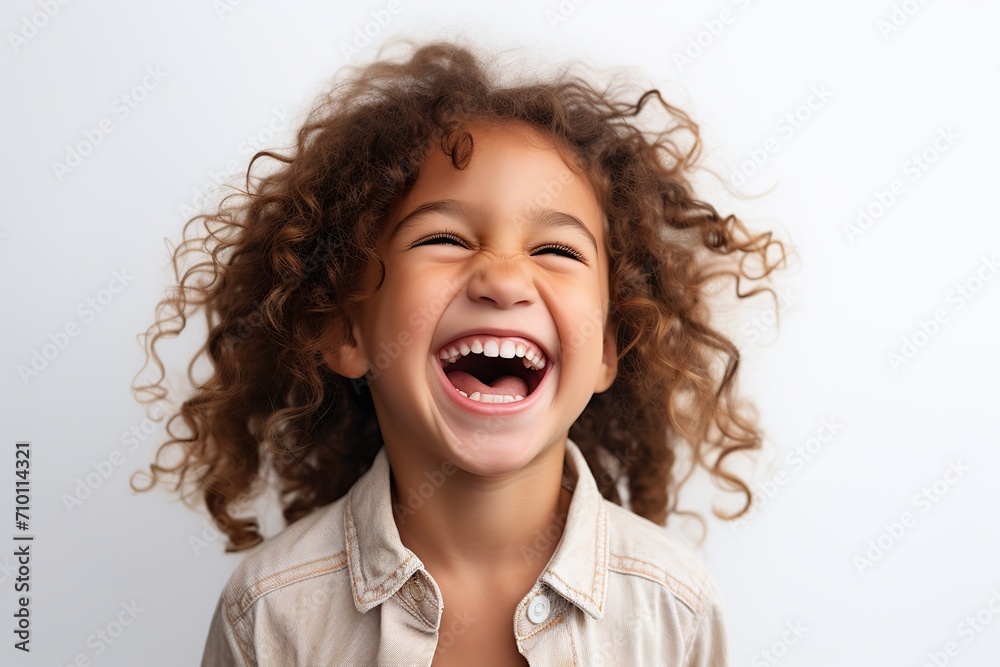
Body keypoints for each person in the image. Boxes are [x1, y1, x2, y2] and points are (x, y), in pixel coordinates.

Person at [131, 36, 785, 666]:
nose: (502, 278)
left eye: (556, 250)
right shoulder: (270, 613)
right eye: (443, 238)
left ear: (609, 348)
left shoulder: (674, 607)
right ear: (346, 331)